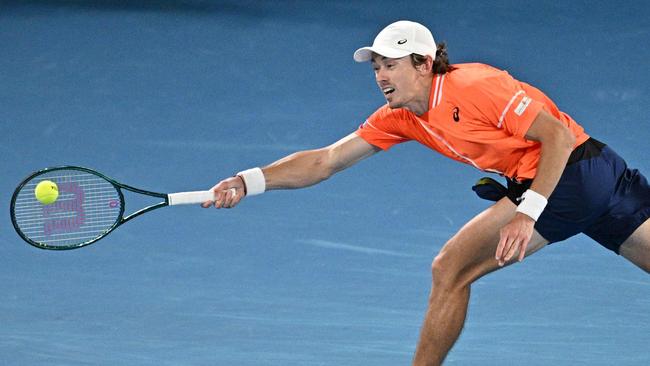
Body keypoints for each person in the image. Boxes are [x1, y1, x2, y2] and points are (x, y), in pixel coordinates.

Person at [201, 20, 650, 365]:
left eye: (390, 65)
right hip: (602, 172)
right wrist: (248, 180)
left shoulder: (474, 85)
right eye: (376, 66)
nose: (380, 75)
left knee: (450, 269)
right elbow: (327, 160)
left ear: (424, 64)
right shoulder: (399, 117)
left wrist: (528, 210)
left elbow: (555, 136)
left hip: (568, 174)